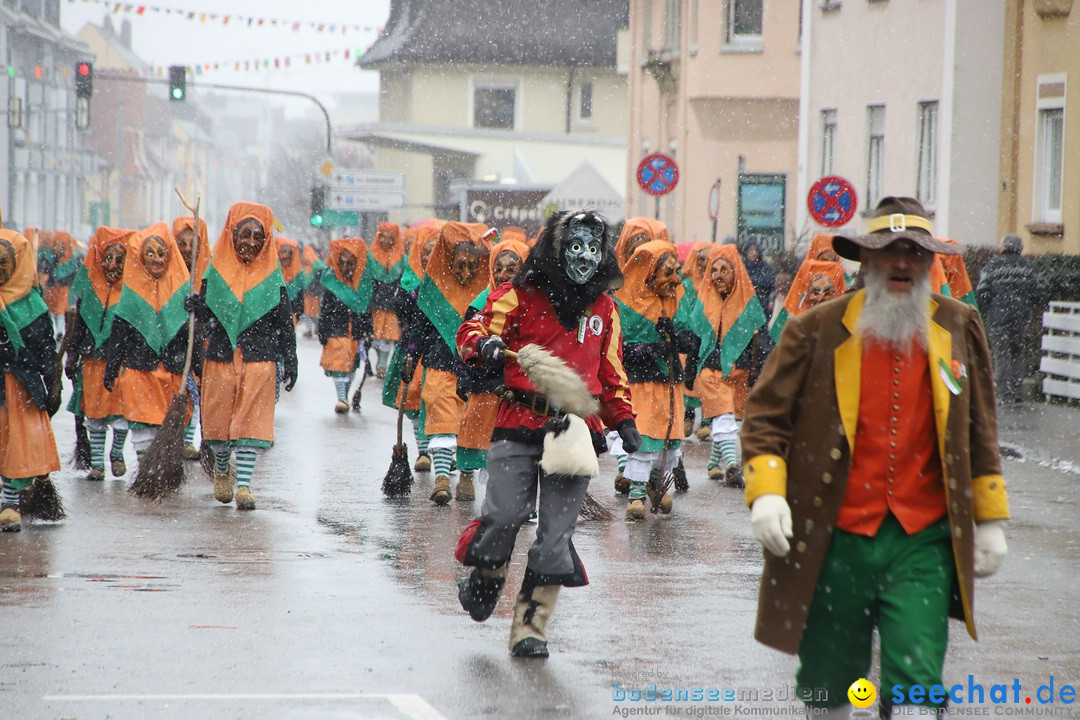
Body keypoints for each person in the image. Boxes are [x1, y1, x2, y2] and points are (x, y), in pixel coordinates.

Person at [742, 197, 1010, 718]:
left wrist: (991, 516)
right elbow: (766, 417)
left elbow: (980, 425)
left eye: (915, 252)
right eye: (890, 252)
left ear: (932, 262)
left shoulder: (958, 325)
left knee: (917, 677)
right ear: (865, 261)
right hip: (833, 537)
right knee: (829, 678)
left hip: (923, 541)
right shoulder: (815, 328)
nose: (903, 263)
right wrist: (767, 493)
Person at [455, 210, 636, 658]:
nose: (585, 257)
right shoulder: (516, 295)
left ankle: (530, 627)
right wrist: (485, 345)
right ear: (557, 248)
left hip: (574, 432)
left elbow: (611, 372)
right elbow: (471, 329)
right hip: (518, 422)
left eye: (594, 249)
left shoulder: (606, 309)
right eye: (576, 246)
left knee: (556, 536)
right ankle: (485, 575)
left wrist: (624, 419)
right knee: (504, 516)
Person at [187, 202, 298, 510]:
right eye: (244, 234)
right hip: (221, 359)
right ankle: (222, 469)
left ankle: (245, 486)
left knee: (251, 424)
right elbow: (208, 318)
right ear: (231, 235)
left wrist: (291, 359)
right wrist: (199, 309)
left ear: (265, 242)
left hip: (259, 360)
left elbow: (284, 324)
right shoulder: (214, 274)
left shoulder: (274, 280)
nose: (250, 241)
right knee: (219, 425)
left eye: (257, 236)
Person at [613, 239, 711, 520]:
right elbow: (619, 348)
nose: (676, 279)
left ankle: (657, 484)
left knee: (668, 436)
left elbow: (693, 340)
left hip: (669, 383)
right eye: (668, 273)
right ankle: (636, 493)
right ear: (650, 272)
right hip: (641, 383)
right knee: (644, 436)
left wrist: (674, 337)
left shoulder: (677, 300)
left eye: (677, 271)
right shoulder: (625, 304)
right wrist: (648, 349)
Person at [399, 221, 490, 504]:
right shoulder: (434, 291)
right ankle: (441, 478)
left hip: (475, 371)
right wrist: (412, 354)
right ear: (449, 262)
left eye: (471, 266)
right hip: (439, 364)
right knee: (441, 420)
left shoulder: (487, 295)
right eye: (459, 265)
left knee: (470, 425)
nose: (465, 272)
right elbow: (420, 326)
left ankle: (465, 474)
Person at [103, 223, 192, 466]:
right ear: (141, 259)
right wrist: (112, 367)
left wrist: (198, 368)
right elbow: (119, 334)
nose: (156, 260)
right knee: (143, 424)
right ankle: (146, 471)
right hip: (140, 370)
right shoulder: (131, 294)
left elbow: (191, 334)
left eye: (161, 254)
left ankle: (161, 470)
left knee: (168, 425)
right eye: (150, 254)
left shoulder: (182, 291)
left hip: (172, 371)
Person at [454, 235, 529, 501]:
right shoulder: (480, 303)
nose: (502, 275)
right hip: (484, 382)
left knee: (507, 441)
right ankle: (465, 473)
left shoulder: (532, 302)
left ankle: (504, 495)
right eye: (497, 269)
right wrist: (465, 376)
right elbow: (463, 343)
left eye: (511, 269)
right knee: (474, 429)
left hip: (515, 386)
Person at [0, 228, 62, 532]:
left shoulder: (32, 307)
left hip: (19, 386)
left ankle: (10, 502)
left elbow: (46, 350)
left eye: (4, 263)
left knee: (18, 445)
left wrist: (53, 383)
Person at [66, 226, 134, 481]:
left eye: (120, 259)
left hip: (121, 365)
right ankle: (97, 464)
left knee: (120, 414)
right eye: (108, 258)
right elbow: (79, 329)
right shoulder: (90, 295)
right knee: (93, 414)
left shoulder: (130, 295)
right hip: (92, 362)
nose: (113, 265)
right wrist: (71, 355)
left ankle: (116, 454)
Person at [696, 244, 767, 485]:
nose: (718, 276)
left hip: (740, 370)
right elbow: (694, 337)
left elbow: (761, 338)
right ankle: (733, 466)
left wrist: (758, 369)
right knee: (723, 416)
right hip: (711, 370)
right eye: (713, 271)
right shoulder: (704, 302)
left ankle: (713, 462)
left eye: (724, 270)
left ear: (735, 271)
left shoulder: (748, 303)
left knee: (730, 419)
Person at [975, 234, 1048, 403]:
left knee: (1001, 354)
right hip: (1020, 318)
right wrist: (1026, 303)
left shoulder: (992, 266)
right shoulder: (1029, 267)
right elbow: (1040, 291)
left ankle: (1004, 393)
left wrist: (991, 307)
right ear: (1020, 248)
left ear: (1003, 247)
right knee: (1017, 353)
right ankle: (1017, 392)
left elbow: (982, 292)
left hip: (997, 318)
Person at [317, 237, 373, 413]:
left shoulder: (362, 286)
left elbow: (366, 311)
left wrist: (368, 331)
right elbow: (324, 310)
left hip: (355, 333)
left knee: (351, 366)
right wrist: (323, 330)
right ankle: (341, 398)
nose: (347, 268)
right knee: (339, 365)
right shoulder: (332, 284)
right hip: (337, 331)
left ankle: (345, 396)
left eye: (351, 264)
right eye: (343, 263)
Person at [173, 215, 211, 460]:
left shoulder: (209, 274)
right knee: (177, 391)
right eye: (182, 244)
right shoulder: (169, 273)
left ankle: (189, 440)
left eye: (192, 245)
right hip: (175, 345)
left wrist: (202, 309)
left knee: (196, 392)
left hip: (202, 345)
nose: (187, 250)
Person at [369, 222, 407, 378]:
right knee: (374, 336)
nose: (385, 240)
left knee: (388, 336)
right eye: (382, 236)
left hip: (392, 303)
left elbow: (404, 281)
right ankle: (378, 360)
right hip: (375, 303)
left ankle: (383, 364)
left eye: (390, 237)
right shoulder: (370, 257)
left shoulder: (402, 259)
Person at [741, 239, 776, 323]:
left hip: (763, 304)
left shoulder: (766, 267)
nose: (753, 253)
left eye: (755, 250)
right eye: (750, 250)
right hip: (747, 304)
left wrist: (771, 299)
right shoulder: (742, 267)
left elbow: (771, 284)